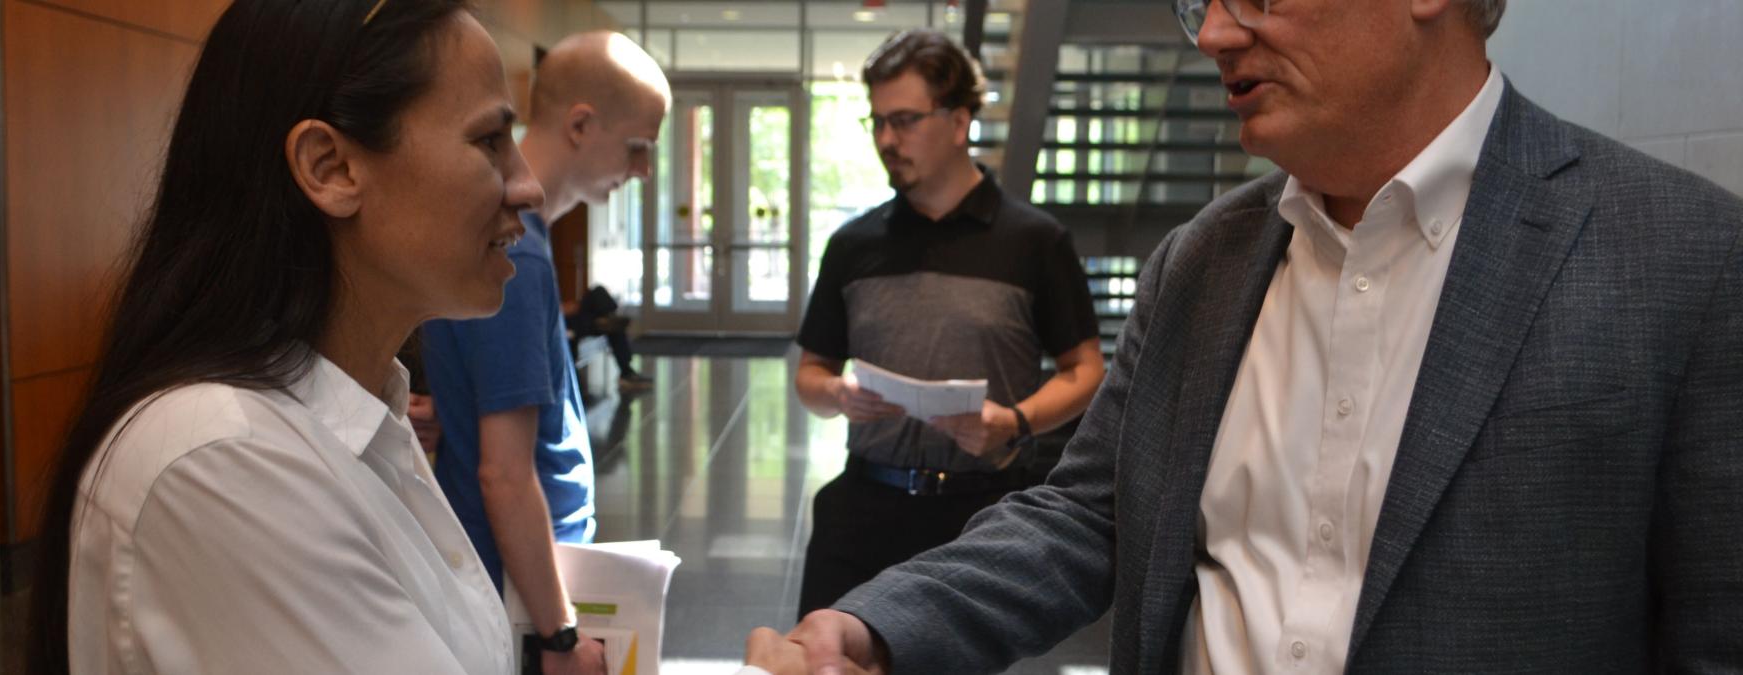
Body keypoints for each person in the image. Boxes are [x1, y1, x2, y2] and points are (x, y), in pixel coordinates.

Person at [744, 0, 1743, 672]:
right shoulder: (1203, 260)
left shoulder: (1682, 259)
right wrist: (875, 626)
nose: (1214, 33)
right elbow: (1089, 517)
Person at [23, 1, 543, 672]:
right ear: (330, 167)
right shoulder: (221, 459)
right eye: (489, 141)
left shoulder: (359, 415)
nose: (527, 185)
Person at [789, 29, 1106, 620]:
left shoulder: (1034, 241)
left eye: (905, 120)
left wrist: (1014, 424)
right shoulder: (852, 245)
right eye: (878, 122)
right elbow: (810, 374)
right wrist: (835, 393)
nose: (887, 139)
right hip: (862, 510)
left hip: (980, 517)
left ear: (960, 122)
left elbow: (1085, 370)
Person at [417, 30, 669, 675]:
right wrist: (559, 635)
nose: (642, 171)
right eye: (638, 148)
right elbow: (505, 473)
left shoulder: (503, 243)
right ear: (581, 125)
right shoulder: (518, 255)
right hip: (519, 595)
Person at [564, 284, 652, 391]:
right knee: (599, 292)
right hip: (569, 322)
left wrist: (572, 306)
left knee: (613, 327)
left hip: (579, 321)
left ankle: (607, 317)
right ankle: (626, 373)